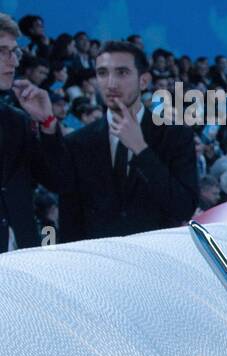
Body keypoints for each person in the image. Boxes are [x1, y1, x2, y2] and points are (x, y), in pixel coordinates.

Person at [46, 40, 199, 242]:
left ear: (143, 81)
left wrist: (141, 150)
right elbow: (71, 218)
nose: (111, 83)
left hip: (157, 260)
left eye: (122, 73)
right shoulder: (77, 142)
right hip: (97, 264)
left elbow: (183, 208)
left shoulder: (175, 136)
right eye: (102, 73)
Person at [0, 13, 64, 252]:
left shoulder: (16, 120)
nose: (14, 62)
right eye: (2, 51)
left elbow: (57, 180)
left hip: (24, 260)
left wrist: (47, 122)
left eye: (14, 52)